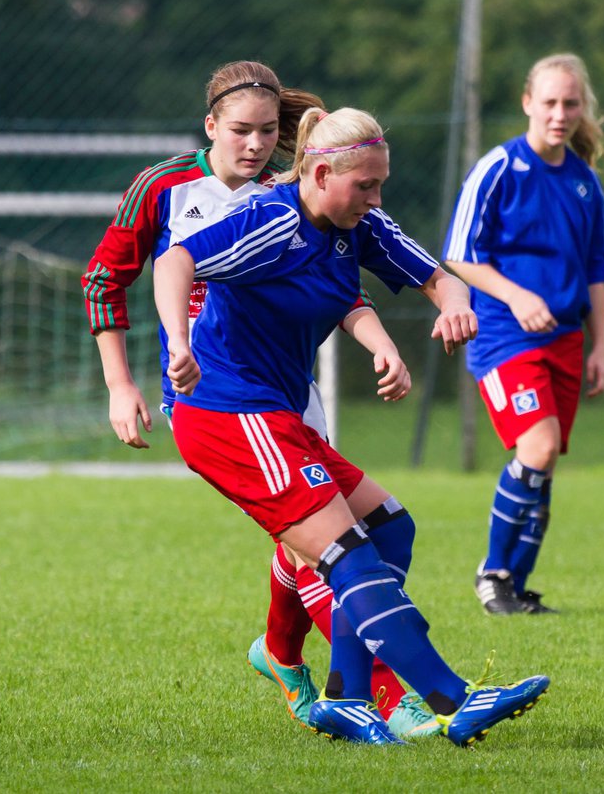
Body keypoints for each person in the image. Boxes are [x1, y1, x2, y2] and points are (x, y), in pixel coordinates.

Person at [152, 105, 550, 746]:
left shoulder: (358, 225)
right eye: (364, 185)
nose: (375, 196)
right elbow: (174, 263)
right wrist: (178, 340)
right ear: (317, 172)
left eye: (380, 183)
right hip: (227, 414)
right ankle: (454, 698)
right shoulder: (269, 223)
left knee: (392, 528)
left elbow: (439, 279)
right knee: (348, 554)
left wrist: (449, 310)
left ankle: (348, 697)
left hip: (275, 415)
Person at [82, 61, 434, 738]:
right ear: (210, 125)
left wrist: (379, 338)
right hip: (214, 393)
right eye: (240, 130)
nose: (253, 144)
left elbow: (341, 285)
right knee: (328, 546)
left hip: (290, 392)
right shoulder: (163, 188)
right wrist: (120, 385)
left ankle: (282, 656)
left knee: (319, 540)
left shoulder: (296, 192)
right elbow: (104, 278)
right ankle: (393, 697)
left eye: (267, 132)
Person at [442, 53, 604, 616]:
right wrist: (517, 296)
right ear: (527, 103)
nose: (560, 113)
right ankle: (491, 576)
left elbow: (596, 269)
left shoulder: (585, 182)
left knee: (543, 466)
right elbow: (459, 256)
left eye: (571, 103)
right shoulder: (498, 168)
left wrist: (603, 347)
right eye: (549, 102)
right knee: (536, 447)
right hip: (503, 337)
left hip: (566, 340)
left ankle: (516, 588)